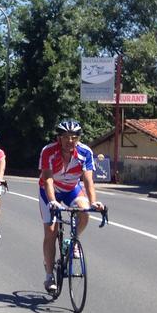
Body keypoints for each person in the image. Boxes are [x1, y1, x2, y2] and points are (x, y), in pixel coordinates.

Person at [38, 119, 104, 294]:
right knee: (51, 231)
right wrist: (52, 201)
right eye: (66, 137)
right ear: (59, 138)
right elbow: (48, 179)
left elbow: (88, 180)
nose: (70, 141)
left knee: (84, 210)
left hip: (71, 189)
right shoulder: (48, 151)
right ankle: (49, 274)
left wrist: (93, 201)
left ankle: (72, 240)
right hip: (49, 190)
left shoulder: (85, 152)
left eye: (74, 137)